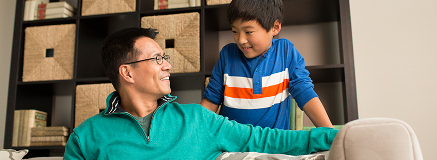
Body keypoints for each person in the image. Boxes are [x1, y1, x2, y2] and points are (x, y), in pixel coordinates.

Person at [63, 27, 338, 159]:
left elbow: (266, 140)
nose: (168, 65)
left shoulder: (197, 119)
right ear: (127, 72)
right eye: (157, 59)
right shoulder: (86, 138)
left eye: (166, 57)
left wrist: (338, 135)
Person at [200, 0, 333, 130]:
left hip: (274, 145)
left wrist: (330, 133)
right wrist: (193, 132)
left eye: (248, 32)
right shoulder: (227, 54)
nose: (240, 40)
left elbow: (305, 93)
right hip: (232, 144)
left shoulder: (285, 51)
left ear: (275, 28)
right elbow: (211, 100)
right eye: (235, 31)